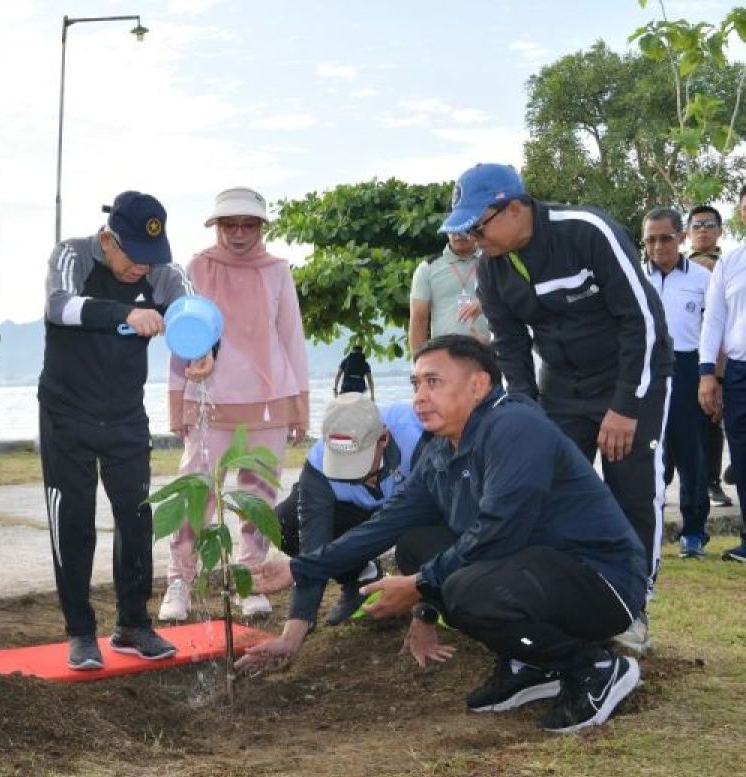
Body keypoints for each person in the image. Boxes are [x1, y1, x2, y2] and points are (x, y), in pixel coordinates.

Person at [238, 335, 646, 735]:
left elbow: (498, 532)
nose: (419, 396)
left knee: (468, 590)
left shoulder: (514, 427)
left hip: (601, 581)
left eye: (434, 382)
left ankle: (592, 667)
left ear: (478, 385)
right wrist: (301, 567)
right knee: (416, 545)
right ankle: (532, 664)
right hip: (535, 571)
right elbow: (386, 524)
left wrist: (419, 586)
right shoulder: (440, 451)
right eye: (416, 384)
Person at [446, 163, 671, 652]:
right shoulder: (492, 267)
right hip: (561, 388)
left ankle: (635, 605)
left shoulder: (586, 232)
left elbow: (643, 321)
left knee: (631, 489)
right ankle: (569, 593)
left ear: (514, 208)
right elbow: (509, 345)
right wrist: (527, 416)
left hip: (630, 379)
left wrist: (627, 406)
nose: (473, 239)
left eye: (477, 227)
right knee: (546, 489)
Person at [40, 190, 211, 671]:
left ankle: (133, 624)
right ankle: (79, 632)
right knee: (73, 524)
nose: (144, 268)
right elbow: (60, 307)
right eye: (135, 256)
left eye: (151, 257)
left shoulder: (162, 270)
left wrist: (205, 347)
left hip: (125, 416)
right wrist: (125, 314)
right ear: (107, 240)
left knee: (137, 519)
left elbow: (196, 311)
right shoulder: (72, 254)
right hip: (65, 414)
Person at [159, 186, 309, 622]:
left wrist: (299, 407)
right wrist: (176, 406)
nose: (239, 233)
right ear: (216, 225)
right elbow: (180, 339)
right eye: (230, 224)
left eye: (248, 224)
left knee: (257, 495)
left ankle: (249, 580)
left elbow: (291, 338)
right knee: (197, 491)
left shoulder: (278, 270)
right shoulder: (197, 267)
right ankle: (179, 580)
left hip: (269, 401)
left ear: (261, 226)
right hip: (207, 399)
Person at [274, 393, 425, 625]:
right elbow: (313, 547)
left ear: (383, 438)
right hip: (354, 511)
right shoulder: (317, 464)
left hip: (411, 509)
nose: (354, 476)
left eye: (359, 462)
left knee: (414, 543)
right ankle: (359, 575)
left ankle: (430, 595)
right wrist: (297, 625)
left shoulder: (418, 436)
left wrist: (423, 615)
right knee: (284, 523)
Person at [642, 208, 711, 558]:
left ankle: (695, 532)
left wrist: (711, 378)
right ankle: (648, 529)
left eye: (665, 237)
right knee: (653, 455)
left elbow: (714, 333)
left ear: (681, 237)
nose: (658, 246)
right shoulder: (636, 278)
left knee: (690, 455)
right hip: (647, 371)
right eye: (651, 239)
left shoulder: (702, 279)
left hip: (688, 369)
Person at [699, 188, 746, 564]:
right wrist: (707, 375)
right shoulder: (731, 262)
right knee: (743, 456)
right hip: (740, 372)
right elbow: (713, 320)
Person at [688, 203, 736, 507]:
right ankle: (707, 483)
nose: (703, 230)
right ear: (687, 233)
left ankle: (722, 477)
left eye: (709, 224)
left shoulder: (731, 264)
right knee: (704, 423)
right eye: (696, 225)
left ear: (720, 230)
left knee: (724, 418)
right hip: (689, 355)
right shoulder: (678, 267)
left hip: (728, 355)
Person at [408, 232, 487, 353]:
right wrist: (418, 362)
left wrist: (486, 302)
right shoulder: (427, 268)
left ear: (475, 228)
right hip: (445, 355)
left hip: (488, 351)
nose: (459, 235)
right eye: (454, 230)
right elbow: (418, 318)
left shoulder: (493, 260)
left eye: (464, 230)